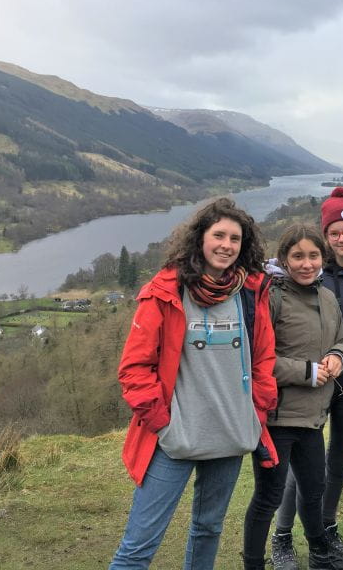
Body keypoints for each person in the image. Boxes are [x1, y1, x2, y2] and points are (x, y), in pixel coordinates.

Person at [109, 198, 278, 570]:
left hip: (230, 434)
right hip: (174, 439)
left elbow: (264, 357)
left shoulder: (250, 292)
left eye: (235, 238)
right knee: (139, 545)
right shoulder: (166, 291)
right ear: (200, 238)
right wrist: (162, 424)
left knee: (208, 529)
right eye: (218, 234)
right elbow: (135, 368)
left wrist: (257, 410)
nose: (226, 245)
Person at [271, 188, 343, 570]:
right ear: (325, 237)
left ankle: (325, 531)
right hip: (310, 385)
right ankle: (282, 536)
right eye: (334, 232)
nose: (342, 238)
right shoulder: (313, 274)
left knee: (339, 462)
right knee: (301, 466)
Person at [242, 224, 343, 570]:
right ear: (285, 259)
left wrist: (339, 357)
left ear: (323, 258)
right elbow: (257, 358)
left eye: (313, 256)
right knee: (269, 496)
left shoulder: (327, 297)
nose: (307, 264)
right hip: (277, 418)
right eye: (298, 256)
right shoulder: (272, 297)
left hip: (313, 415)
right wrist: (305, 372)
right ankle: (254, 564)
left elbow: (341, 340)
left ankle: (320, 554)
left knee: (314, 488)